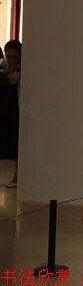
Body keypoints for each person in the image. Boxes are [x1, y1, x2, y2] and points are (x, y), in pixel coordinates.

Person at [0, 40, 21, 188]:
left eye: (14, 57)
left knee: (18, 145)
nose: (11, 60)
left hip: (18, 109)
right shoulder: (5, 66)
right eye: (8, 56)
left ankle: (17, 177)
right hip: (9, 110)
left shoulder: (24, 68)